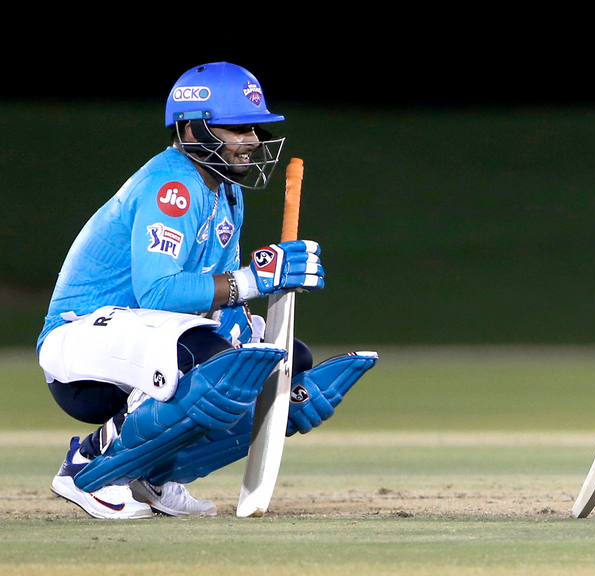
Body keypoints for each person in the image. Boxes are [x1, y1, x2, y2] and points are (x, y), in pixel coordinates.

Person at [37, 62, 376, 519]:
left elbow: (218, 299)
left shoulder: (225, 193)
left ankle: (152, 476)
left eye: (253, 127)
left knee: (277, 361)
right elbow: (158, 292)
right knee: (208, 357)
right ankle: (87, 464)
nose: (253, 139)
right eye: (237, 127)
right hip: (80, 345)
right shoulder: (171, 184)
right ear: (193, 129)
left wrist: (260, 344)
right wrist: (257, 279)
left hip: (145, 339)